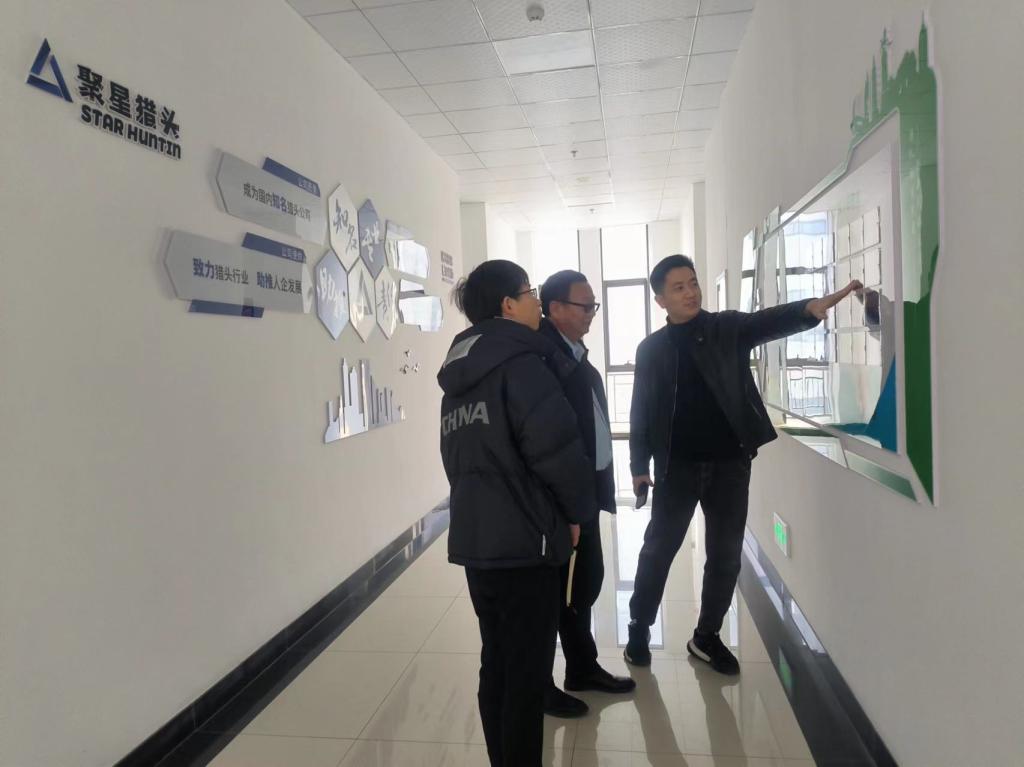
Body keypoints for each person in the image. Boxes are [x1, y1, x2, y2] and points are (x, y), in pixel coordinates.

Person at [624, 254, 862, 674]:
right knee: (659, 550)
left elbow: (765, 322)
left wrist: (808, 310)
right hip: (677, 468)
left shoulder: (725, 328)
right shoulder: (651, 350)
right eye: (678, 287)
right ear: (660, 300)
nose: (690, 292)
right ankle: (639, 627)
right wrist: (638, 466)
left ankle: (706, 636)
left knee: (725, 555)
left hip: (729, 465)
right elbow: (640, 410)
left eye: (693, 283)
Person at [438, 259, 595, 767]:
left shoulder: (460, 376)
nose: (536, 302)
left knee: (498, 664)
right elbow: (557, 451)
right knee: (526, 675)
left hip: (477, 540)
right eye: (529, 292)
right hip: (528, 543)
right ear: (508, 304)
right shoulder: (522, 365)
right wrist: (576, 513)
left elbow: (458, 461)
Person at [538, 271, 637, 719]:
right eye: (585, 305)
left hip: (584, 491)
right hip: (562, 499)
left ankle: (581, 667)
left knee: (584, 582)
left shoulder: (574, 354)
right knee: (554, 593)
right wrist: (567, 504)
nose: (592, 313)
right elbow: (548, 439)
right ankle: (543, 686)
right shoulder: (544, 359)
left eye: (594, 305)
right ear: (555, 308)